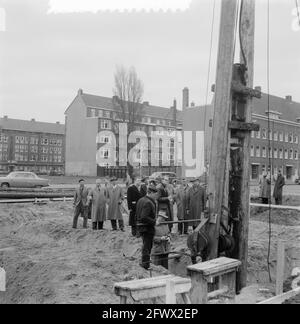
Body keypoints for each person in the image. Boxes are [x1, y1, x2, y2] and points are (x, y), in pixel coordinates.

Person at [136, 184, 158, 270]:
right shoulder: (148, 202)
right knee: (147, 246)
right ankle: (145, 264)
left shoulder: (141, 200)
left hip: (141, 227)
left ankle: (145, 262)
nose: (156, 196)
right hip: (147, 228)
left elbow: (137, 214)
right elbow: (144, 217)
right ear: (151, 193)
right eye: (155, 194)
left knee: (145, 245)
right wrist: (154, 222)